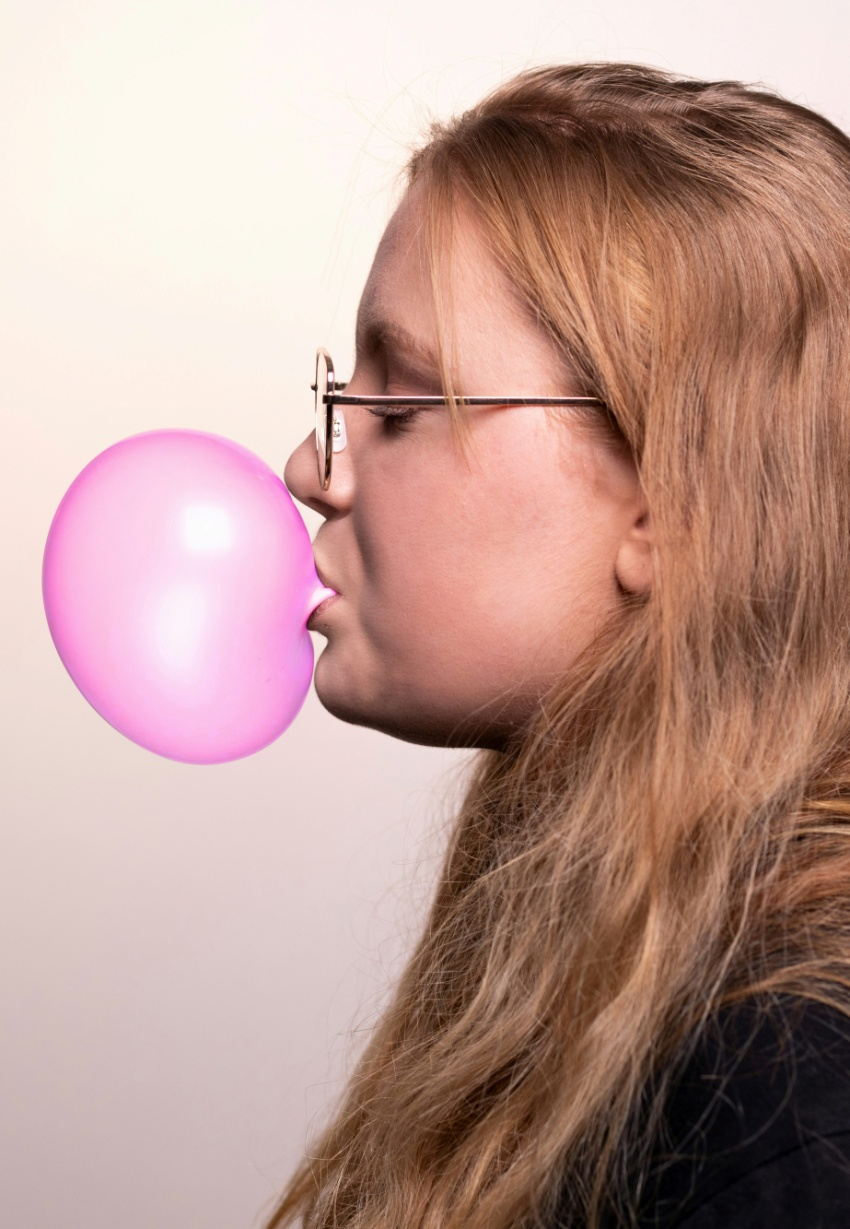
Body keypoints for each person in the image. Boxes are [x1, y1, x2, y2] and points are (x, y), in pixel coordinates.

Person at [267, 63, 850, 1228]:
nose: (310, 470)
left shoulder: (787, 1097)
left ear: (668, 500)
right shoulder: (627, 972)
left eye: (398, 407)